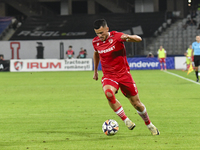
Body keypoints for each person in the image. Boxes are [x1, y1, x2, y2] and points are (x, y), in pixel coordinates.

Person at [92, 19, 159, 135]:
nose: (100, 35)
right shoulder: (95, 42)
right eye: (97, 33)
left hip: (124, 75)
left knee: (136, 104)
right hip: (109, 75)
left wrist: (128, 38)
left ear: (107, 29)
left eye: (102, 32)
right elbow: (96, 53)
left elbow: (138, 39)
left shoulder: (117, 36)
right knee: (108, 93)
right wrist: (95, 71)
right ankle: (126, 120)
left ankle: (149, 124)